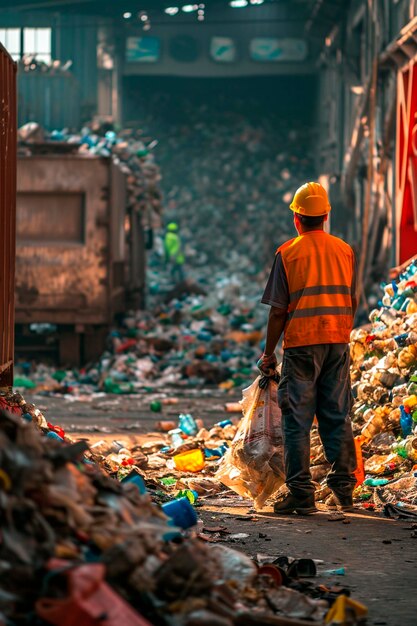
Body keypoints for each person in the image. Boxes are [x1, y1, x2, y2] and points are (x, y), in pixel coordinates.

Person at [258, 182, 358, 515]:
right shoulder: (344, 250)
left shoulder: (288, 253)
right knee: (336, 416)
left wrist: (269, 352)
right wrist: (341, 331)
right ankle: (344, 490)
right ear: (326, 216)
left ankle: (301, 493)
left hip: (302, 344)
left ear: (297, 219)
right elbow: (351, 298)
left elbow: (277, 311)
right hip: (337, 342)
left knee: (297, 421)